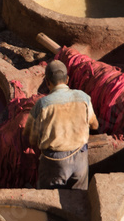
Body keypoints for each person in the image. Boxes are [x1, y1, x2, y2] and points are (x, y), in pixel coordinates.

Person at [23, 60, 99, 190]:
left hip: (54, 163)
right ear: (67, 79)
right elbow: (95, 125)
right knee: (78, 199)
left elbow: (31, 138)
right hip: (80, 158)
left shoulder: (42, 105)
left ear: (47, 82)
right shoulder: (83, 97)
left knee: (49, 200)